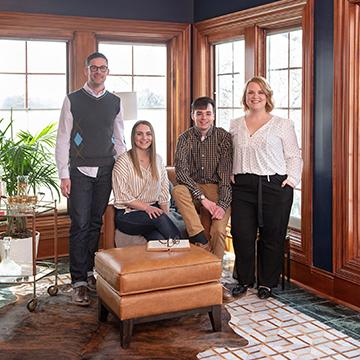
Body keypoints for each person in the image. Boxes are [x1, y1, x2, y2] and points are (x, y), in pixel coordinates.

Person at [55, 52, 126, 306]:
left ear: (107, 71)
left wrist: (123, 170)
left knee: (95, 223)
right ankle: (78, 282)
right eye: (94, 68)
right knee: (80, 224)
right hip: (79, 172)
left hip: (106, 170)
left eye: (103, 68)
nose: (98, 72)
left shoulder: (115, 102)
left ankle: (88, 273)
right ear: (87, 70)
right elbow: (63, 138)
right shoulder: (73, 100)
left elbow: (119, 139)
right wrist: (64, 174)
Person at [230, 76, 302, 299]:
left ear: (267, 96)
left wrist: (291, 181)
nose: (255, 96)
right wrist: (231, 172)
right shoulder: (235, 124)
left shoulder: (282, 124)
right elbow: (229, 153)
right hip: (242, 187)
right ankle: (243, 280)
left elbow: (294, 156)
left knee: (272, 235)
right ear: (245, 97)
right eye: (251, 92)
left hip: (274, 185)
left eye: (260, 92)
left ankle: (267, 283)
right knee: (241, 234)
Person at [173, 97, 233, 300]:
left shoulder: (224, 138)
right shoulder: (184, 138)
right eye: (199, 114)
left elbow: (226, 177)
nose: (203, 118)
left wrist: (222, 205)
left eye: (207, 113)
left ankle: (214, 280)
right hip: (193, 188)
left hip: (217, 190)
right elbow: (181, 173)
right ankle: (199, 237)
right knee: (178, 190)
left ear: (214, 115)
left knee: (217, 229)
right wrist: (202, 199)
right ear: (192, 116)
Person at [112, 120, 181, 241]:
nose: (144, 138)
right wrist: (148, 209)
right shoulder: (123, 161)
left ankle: (178, 255)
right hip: (128, 214)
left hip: (152, 212)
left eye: (148, 134)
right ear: (133, 137)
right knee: (159, 218)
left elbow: (164, 192)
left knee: (159, 238)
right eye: (139, 134)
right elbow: (122, 196)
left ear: (152, 137)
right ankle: (186, 251)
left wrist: (166, 216)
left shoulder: (158, 160)